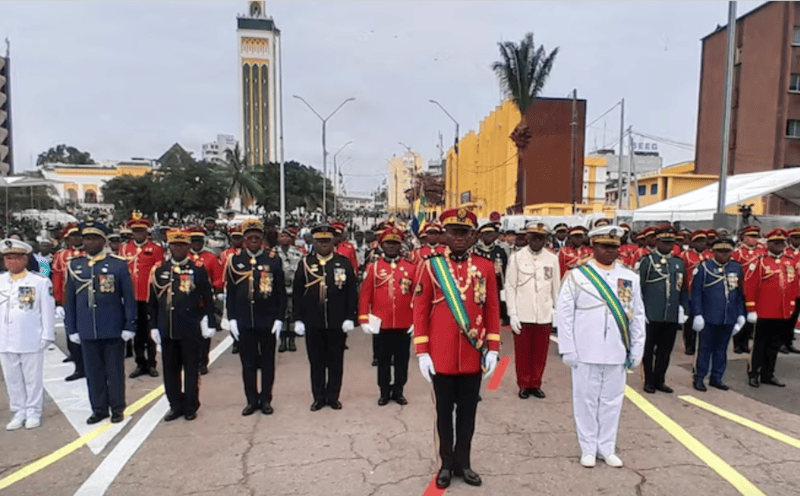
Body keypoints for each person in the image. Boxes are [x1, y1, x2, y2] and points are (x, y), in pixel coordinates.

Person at [413, 208, 500, 489]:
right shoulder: (431, 265)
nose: (459, 238)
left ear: (474, 236)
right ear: (445, 235)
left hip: (473, 355)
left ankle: (465, 462)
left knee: (467, 414)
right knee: (443, 413)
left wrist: (494, 348)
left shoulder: (485, 267)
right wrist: (423, 352)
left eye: (465, 233)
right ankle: (446, 463)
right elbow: (421, 309)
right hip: (442, 356)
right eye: (454, 232)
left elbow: (492, 309)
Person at [557, 225, 645, 469]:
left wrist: (637, 348)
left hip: (617, 350)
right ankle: (588, 447)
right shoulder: (577, 276)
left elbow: (637, 315)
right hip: (586, 349)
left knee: (612, 401)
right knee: (585, 400)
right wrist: (568, 347)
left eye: (614, 247)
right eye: (605, 246)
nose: (610, 251)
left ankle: (606, 447)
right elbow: (564, 315)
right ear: (593, 247)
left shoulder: (630, 277)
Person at [64, 220, 136, 424]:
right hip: (87, 328)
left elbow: (128, 298)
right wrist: (72, 328)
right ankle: (98, 408)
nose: (90, 243)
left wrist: (129, 324)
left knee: (114, 372)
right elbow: (70, 300)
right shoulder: (74, 265)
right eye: (87, 239)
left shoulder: (118, 264)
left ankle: (117, 407)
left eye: (95, 238)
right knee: (93, 373)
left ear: (103, 241)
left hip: (112, 326)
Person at [149, 229, 217, 421]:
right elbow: (153, 301)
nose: (177, 248)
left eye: (182, 245)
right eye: (174, 245)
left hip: (189, 327)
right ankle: (175, 405)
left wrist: (209, 320)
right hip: (167, 327)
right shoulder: (160, 269)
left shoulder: (197, 270)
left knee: (191, 369)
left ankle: (190, 405)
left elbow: (207, 298)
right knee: (170, 371)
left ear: (188, 247)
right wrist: (153, 325)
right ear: (169, 246)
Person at [293, 224, 357, 411]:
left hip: (337, 321)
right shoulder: (305, 263)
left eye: (327, 241)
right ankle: (318, 396)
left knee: (336, 361)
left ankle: (333, 396)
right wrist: (297, 318)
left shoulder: (343, 263)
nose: (323, 245)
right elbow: (297, 293)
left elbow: (351, 292)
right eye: (320, 241)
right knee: (316, 362)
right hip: (313, 321)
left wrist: (350, 317)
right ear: (314, 242)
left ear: (333, 242)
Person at [225, 219, 286, 416]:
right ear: (243, 239)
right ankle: (251, 400)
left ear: (261, 238)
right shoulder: (235, 260)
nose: (253, 240)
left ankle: (266, 399)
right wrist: (231, 318)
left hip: (267, 319)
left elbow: (280, 292)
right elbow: (231, 292)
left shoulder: (273, 259)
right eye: (249, 237)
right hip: (244, 320)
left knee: (268, 362)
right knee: (248, 363)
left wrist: (279, 318)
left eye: (256, 237)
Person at [0, 239, 55, 430]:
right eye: (8, 258)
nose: (12, 261)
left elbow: (47, 309)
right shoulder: (0, 281)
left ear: (25, 259)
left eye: (16, 257)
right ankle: (18, 411)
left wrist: (47, 334)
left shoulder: (39, 282)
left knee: (32, 378)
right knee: (12, 378)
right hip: (4, 338)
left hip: (30, 337)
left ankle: (33, 411)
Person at [359, 226, 416, 406]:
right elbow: (365, 294)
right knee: (383, 361)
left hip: (403, 322)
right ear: (381, 246)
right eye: (388, 244)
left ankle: (398, 391)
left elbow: (417, 296)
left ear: (400, 246)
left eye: (395, 243)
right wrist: (363, 318)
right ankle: (384, 391)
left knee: (401, 361)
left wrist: (416, 320)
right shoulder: (374, 267)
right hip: (381, 323)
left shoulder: (411, 268)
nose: (391, 247)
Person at [505, 221, 560, 399]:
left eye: (540, 238)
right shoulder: (516, 258)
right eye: (534, 237)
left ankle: (536, 383)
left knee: (540, 353)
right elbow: (510, 287)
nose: (537, 241)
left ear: (545, 240)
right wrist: (512, 313)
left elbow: (555, 287)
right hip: (523, 313)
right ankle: (523, 384)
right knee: (522, 353)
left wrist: (557, 311)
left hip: (544, 314)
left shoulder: (552, 259)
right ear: (527, 238)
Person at [638, 225, 688, 394]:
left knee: (665, 351)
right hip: (652, 313)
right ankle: (649, 380)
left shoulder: (678, 263)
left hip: (670, 314)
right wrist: (641, 310)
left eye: (671, 243)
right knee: (649, 350)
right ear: (657, 242)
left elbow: (683, 289)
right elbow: (640, 287)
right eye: (664, 242)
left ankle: (660, 380)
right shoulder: (648, 261)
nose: (668, 246)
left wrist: (683, 309)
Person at [690, 238, 745, 392]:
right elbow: (696, 293)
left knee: (721, 349)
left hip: (728, 316)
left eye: (727, 252)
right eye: (720, 252)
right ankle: (700, 377)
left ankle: (717, 377)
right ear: (713, 252)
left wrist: (740, 314)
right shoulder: (704, 267)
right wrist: (698, 314)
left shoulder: (736, 267)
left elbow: (739, 294)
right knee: (705, 348)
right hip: (709, 315)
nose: (723, 255)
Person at [744, 228, 795, 388]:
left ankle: (768, 374)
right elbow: (750, 285)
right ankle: (754, 373)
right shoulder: (760, 261)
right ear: (768, 244)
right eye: (775, 243)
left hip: (782, 311)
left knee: (774, 346)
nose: (779, 246)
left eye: (781, 243)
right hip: (764, 311)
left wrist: (791, 304)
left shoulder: (789, 261)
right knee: (760, 345)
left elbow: (792, 284)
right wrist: (751, 308)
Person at [120, 212, 164, 379]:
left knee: (150, 331)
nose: (138, 234)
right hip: (131, 296)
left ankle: (152, 363)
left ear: (147, 232)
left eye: (141, 231)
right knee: (137, 332)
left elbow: (159, 273)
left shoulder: (156, 249)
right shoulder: (125, 249)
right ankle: (140, 363)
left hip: (149, 296)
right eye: (136, 231)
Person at [52, 223, 86, 380]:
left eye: (78, 236)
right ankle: (78, 365)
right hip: (69, 300)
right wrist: (58, 301)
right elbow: (57, 278)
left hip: (86, 299)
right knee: (71, 332)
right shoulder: (61, 255)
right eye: (73, 237)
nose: (76, 239)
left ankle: (87, 365)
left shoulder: (88, 253)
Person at [189, 228, 224, 375]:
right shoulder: (185, 256)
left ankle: (203, 362)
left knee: (204, 334)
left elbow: (218, 277)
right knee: (189, 334)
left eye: (199, 242)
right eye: (194, 241)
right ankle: (191, 361)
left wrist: (215, 289)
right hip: (187, 301)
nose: (196, 244)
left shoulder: (210, 257)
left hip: (204, 300)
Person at [731, 225, 765, 354]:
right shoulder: (738, 253)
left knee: (752, 320)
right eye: (750, 236)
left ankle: (745, 343)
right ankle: (737, 343)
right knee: (740, 316)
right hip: (741, 288)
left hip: (757, 290)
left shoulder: (763, 251)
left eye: (755, 237)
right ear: (744, 237)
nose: (753, 239)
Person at [679, 230, 710, 356]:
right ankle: (689, 345)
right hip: (690, 290)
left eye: (703, 241)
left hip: (706, 292)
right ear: (693, 242)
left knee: (705, 320)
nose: (701, 244)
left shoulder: (710, 255)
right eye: (698, 241)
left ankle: (703, 345)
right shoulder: (685, 255)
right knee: (689, 321)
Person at [472, 222, 509, 326]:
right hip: (480, 282)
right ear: (481, 236)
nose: (489, 237)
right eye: (486, 234)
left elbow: (505, 268)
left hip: (497, 282)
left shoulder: (500, 250)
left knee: (496, 303)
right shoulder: (475, 250)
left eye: (491, 234)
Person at [275, 227, 303, 353]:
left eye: (287, 236)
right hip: (278, 289)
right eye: (281, 236)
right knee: (281, 314)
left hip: (294, 288)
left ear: (291, 239)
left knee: (292, 314)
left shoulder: (298, 253)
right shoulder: (273, 253)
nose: (284, 238)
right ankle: (282, 341)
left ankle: (291, 340)